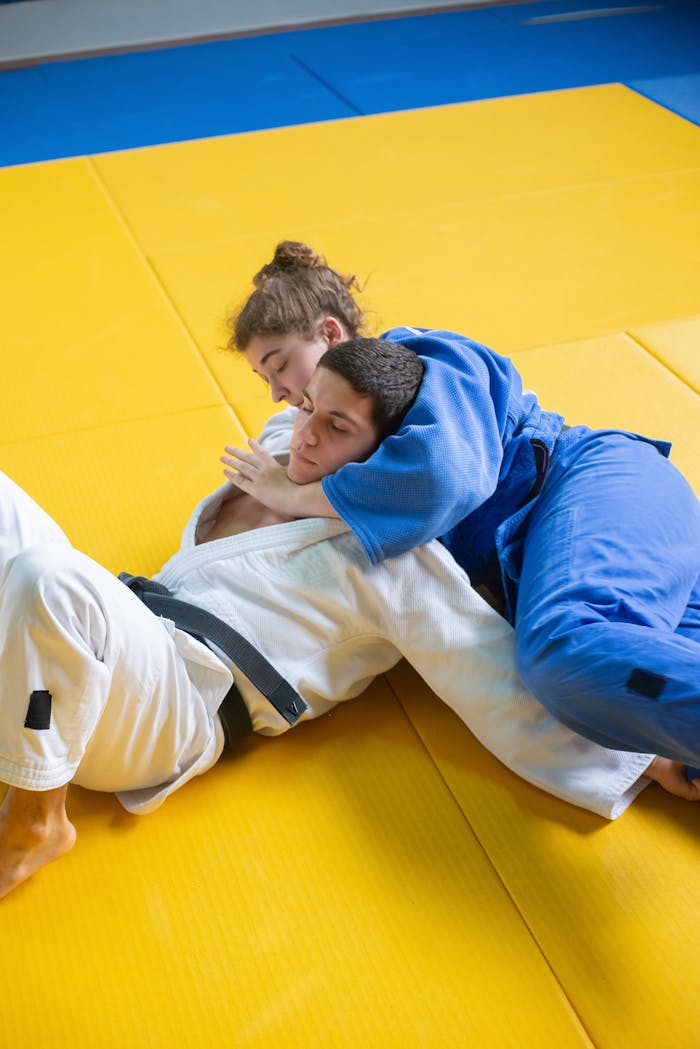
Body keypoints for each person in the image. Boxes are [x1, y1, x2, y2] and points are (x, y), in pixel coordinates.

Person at [1, 340, 694, 901]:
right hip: (105, 652)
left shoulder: (391, 555)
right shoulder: (273, 459)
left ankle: (36, 819)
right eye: (305, 408)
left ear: (380, 456)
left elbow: (477, 663)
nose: (306, 433)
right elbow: (320, 354)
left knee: (51, 578)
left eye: (336, 428)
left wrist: (641, 747)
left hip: (174, 703)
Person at [226, 241, 700, 771]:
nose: (276, 394)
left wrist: (293, 494)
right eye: (262, 380)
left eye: (279, 366)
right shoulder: (329, 443)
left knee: (565, 650)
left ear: (331, 334)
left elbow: (447, 475)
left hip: (594, 485)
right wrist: (646, 758)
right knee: (602, 684)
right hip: (588, 564)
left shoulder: (427, 356)